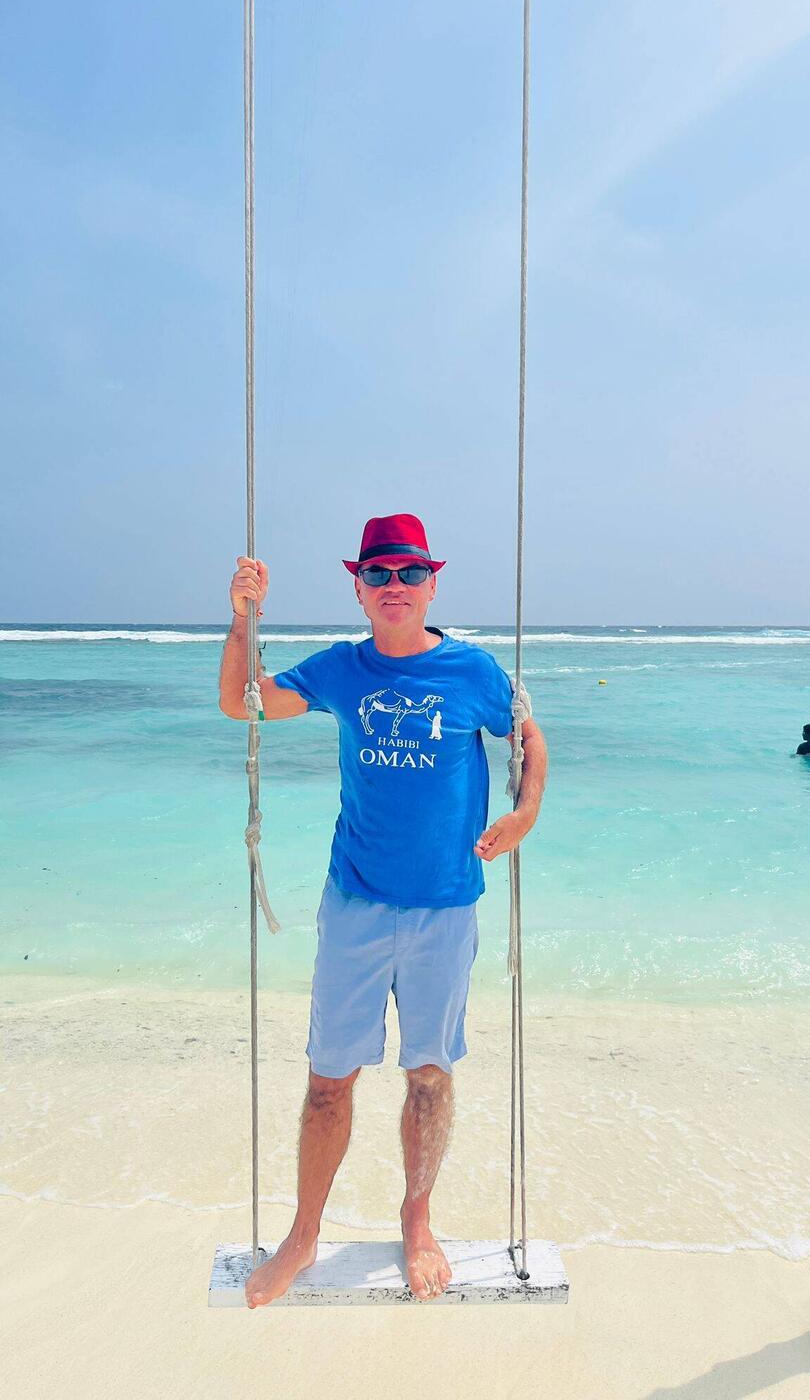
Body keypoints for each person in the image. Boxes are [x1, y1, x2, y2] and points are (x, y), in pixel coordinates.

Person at [219, 512, 548, 1307]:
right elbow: (242, 704)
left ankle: (417, 1219)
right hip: (356, 905)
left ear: (432, 585)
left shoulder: (474, 672)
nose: (394, 585)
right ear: (359, 589)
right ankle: (304, 1233)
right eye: (378, 573)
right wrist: (242, 620)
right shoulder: (341, 669)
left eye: (409, 573)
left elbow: (530, 740)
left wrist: (525, 814)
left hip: (446, 908)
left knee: (429, 1076)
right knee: (329, 1082)